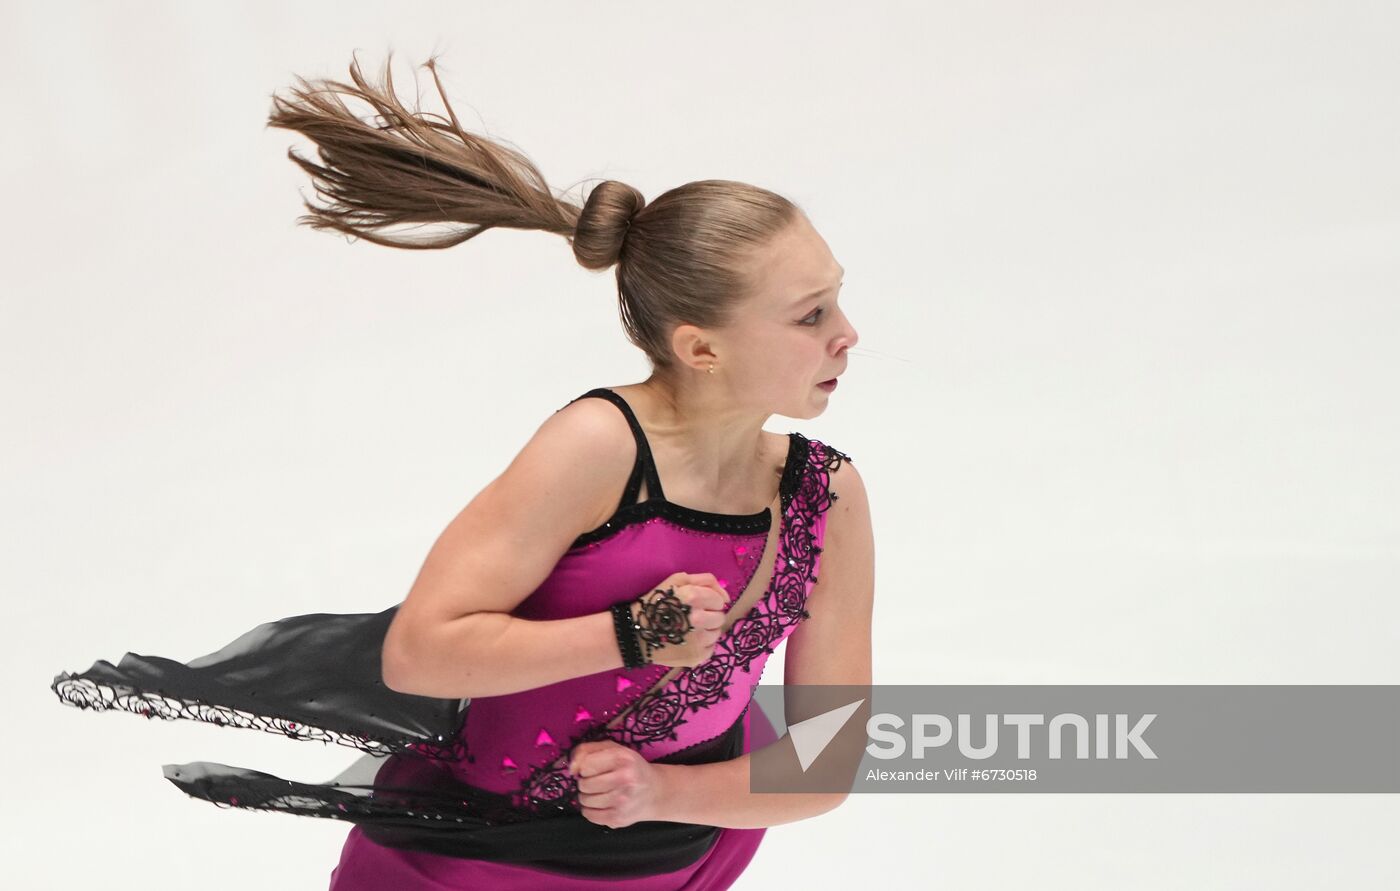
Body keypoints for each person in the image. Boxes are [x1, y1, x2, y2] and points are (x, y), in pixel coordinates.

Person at [50, 51, 875, 889]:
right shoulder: (599, 447)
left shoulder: (827, 496)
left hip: (667, 861)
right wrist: (629, 633)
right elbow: (420, 654)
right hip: (471, 862)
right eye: (811, 315)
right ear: (700, 347)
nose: (847, 333)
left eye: (837, 298)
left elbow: (826, 759)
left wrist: (664, 789)